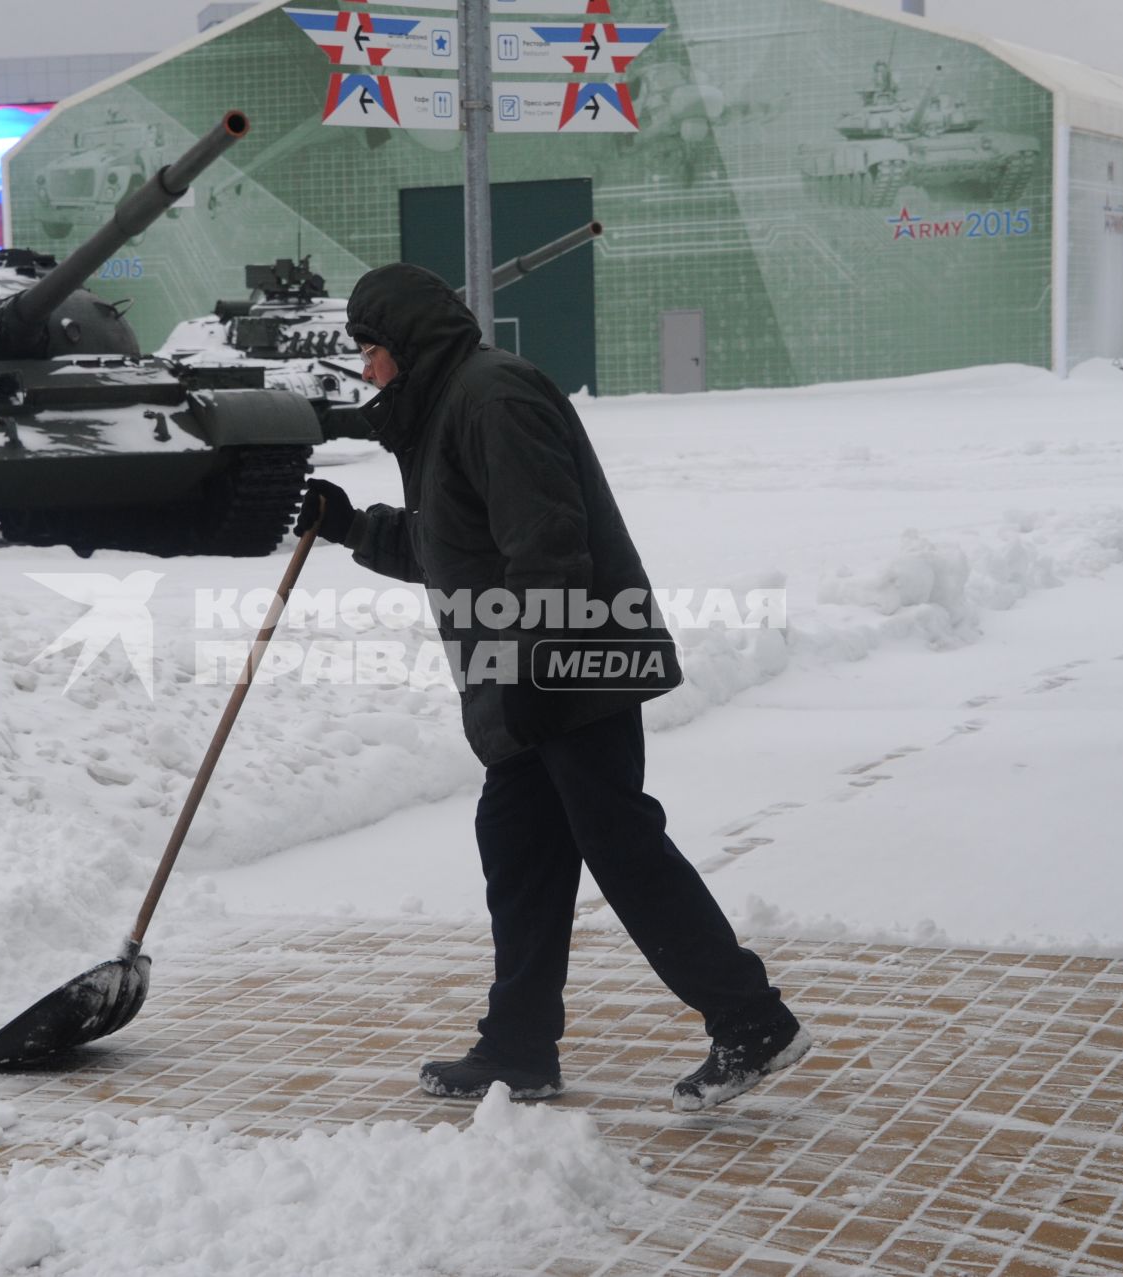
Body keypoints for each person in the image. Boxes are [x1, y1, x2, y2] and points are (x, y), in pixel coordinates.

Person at [296, 264, 809, 1110]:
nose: (368, 370)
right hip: (532, 671)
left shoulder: (492, 398)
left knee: (620, 843)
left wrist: (542, 661)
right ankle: (519, 1047)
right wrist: (353, 526)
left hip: (571, 664)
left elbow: (548, 542)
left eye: (371, 351)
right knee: (521, 847)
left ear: (405, 345)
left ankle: (752, 1019)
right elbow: (455, 545)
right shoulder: (449, 406)